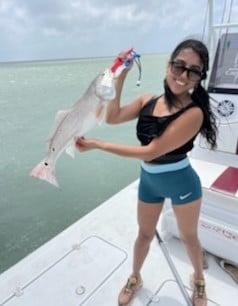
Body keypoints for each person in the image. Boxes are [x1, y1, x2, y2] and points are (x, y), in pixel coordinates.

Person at [75, 39, 217, 306]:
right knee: (144, 234)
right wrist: (122, 75)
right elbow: (112, 116)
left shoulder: (194, 113)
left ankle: (199, 281)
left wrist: (97, 145)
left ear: (200, 77)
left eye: (194, 71)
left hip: (181, 182)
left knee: (189, 237)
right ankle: (135, 277)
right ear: (168, 65)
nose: (183, 75)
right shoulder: (148, 100)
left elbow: (151, 151)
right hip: (149, 181)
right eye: (179, 66)